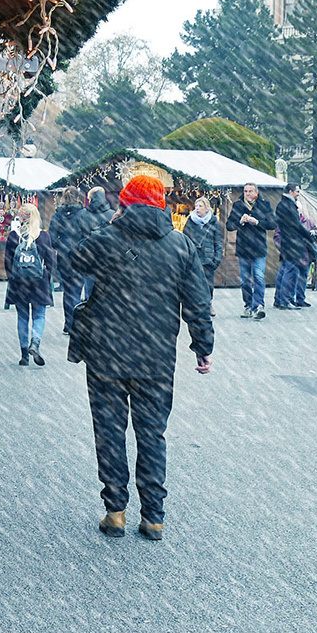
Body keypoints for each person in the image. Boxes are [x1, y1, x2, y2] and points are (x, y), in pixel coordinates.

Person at [68, 175, 214, 542]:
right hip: (157, 357)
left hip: (106, 356)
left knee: (109, 433)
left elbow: (74, 259)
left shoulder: (108, 238)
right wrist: (203, 346)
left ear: (125, 204)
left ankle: (115, 511)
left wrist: (110, 227)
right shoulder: (181, 245)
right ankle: (153, 518)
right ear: (162, 205)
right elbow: (198, 302)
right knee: (152, 435)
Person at [3, 203, 56, 367]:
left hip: (19, 283)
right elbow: (50, 261)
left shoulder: (13, 235)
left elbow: (7, 261)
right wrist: (47, 278)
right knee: (39, 315)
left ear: (21, 217)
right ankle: (35, 342)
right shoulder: (44, 236)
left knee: (23, 317)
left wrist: (11, 277)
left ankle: (24, 355)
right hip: (39, 282)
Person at [227, 183, 277, 319]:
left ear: (257, 192)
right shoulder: (238, 205)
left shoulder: (264, 205)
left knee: (259, 277)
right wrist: (240, 222)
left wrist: (258, 222)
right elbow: (229, 226)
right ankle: (248, 305)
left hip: (259, 248)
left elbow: (273, 223)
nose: (247, 194)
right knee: (245, 281)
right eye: (245, 191)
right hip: (243, 248)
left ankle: (259, 306)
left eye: (250, 191)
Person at [52, 187, 91, 335]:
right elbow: (88, 235)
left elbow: (52, 239)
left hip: (63, 257)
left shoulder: (57, 215)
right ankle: (74, 325)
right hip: (79, 257)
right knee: (76, 291)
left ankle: (68, 323)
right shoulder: (84, 214)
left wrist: (62, 246)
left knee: (67, 292)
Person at [273, 184, 316, 310]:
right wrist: (309, 235)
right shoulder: (289, 205)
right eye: (297, 191)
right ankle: (285, 301)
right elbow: (296, 225)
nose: (298, 193)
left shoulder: (282, 204)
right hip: (292, 243)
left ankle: (279, 300)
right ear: (290, 191)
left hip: (287, 242)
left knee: (284, 270)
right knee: (290, 272)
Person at [183, 196, 224, 292]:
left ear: (207, 208)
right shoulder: (190, 221)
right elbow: (184, 240)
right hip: (193, 259)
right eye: (196, 206)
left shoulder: (213, 222)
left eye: (200, 206)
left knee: (208, 287)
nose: (197, 208)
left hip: (208, 261)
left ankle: (208, 305)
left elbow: (218, 242)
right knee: (193, 287)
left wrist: (216, 260)